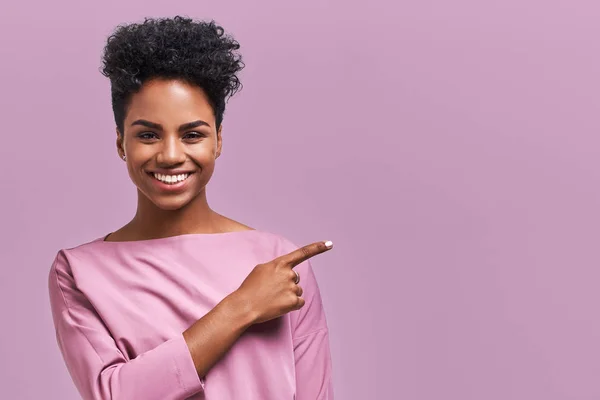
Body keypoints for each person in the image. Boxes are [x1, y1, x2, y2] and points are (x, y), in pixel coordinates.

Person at [47, 16, 334, 400]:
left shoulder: (279, 262)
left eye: (192, 134)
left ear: (218, 141)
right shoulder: (79, 273)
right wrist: (241, 307)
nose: (170, 155)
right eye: (148, 134)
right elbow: (113, 395)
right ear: (120, 143)